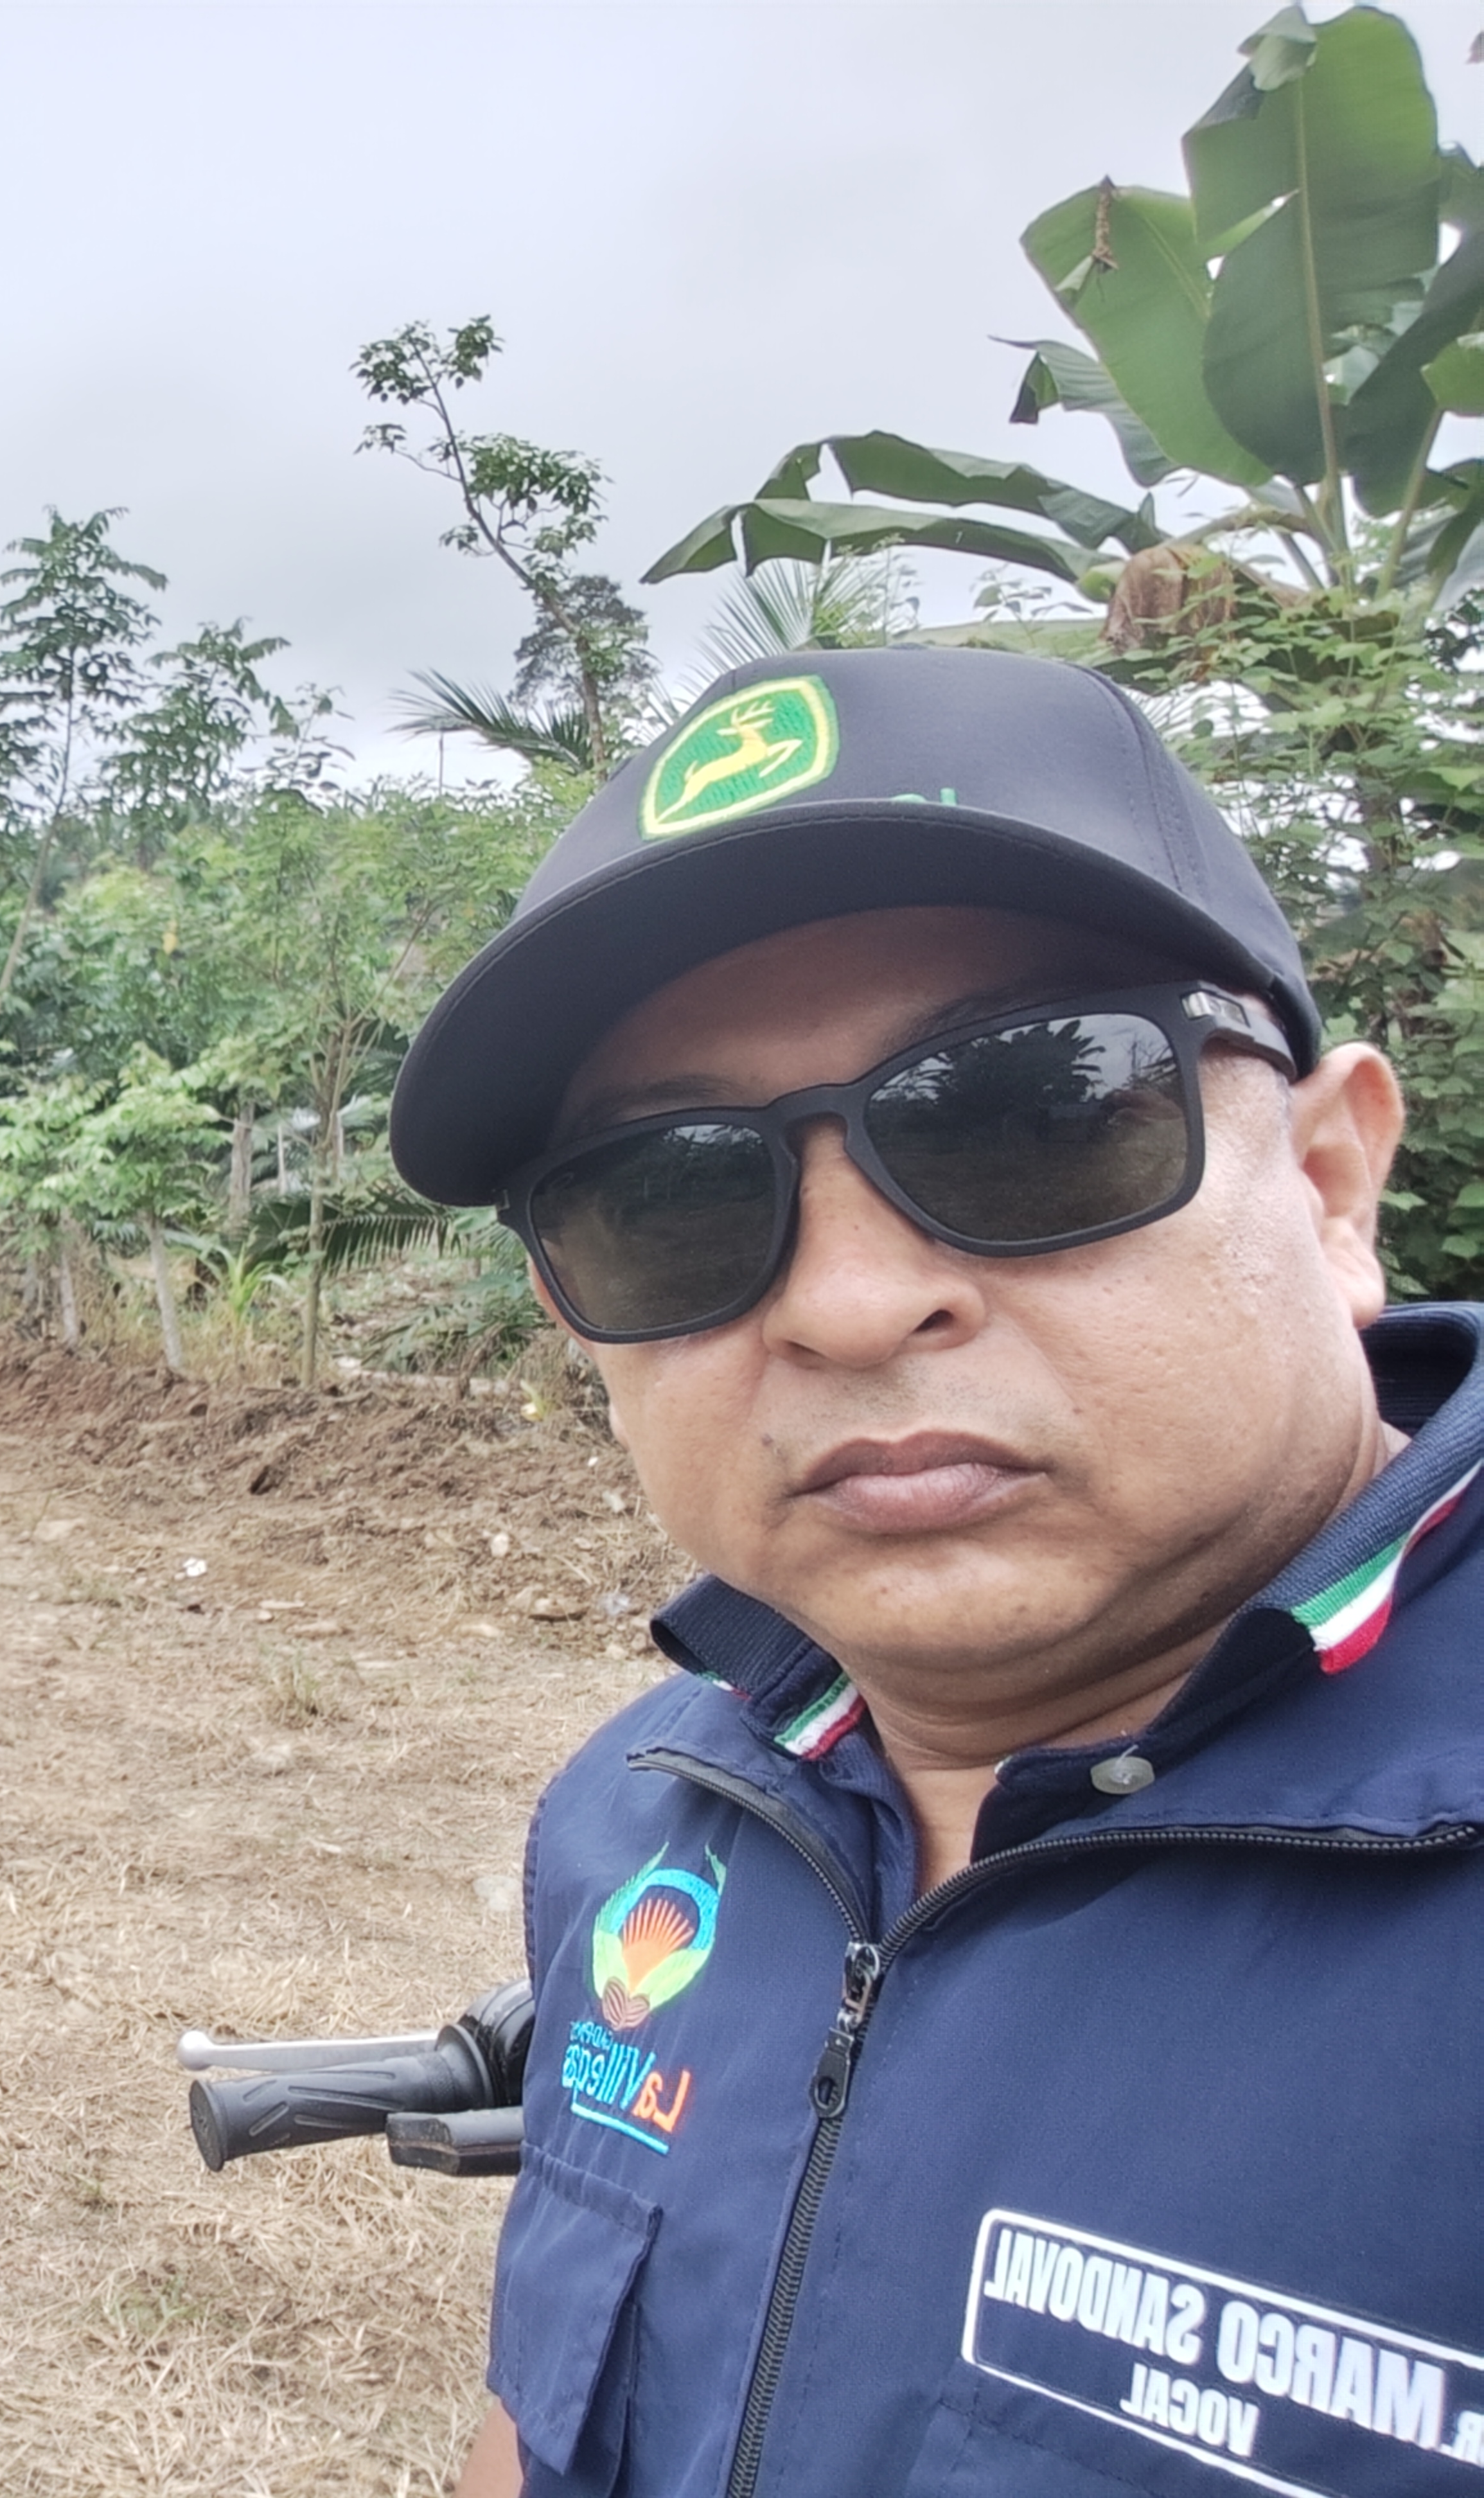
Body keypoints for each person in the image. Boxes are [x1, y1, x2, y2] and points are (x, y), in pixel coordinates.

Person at [387, 648, 1484, 2497]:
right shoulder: (648, 1820)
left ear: (1327, 1182)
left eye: (1030, 1116)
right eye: (673, 1198)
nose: (845, 1300)